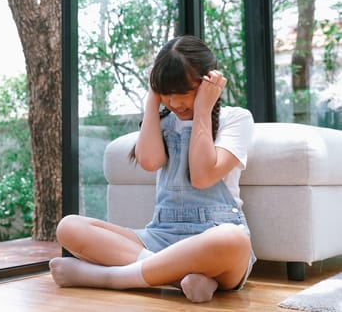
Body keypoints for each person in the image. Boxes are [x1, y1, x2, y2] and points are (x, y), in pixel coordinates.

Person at [49, 35, 256, 303]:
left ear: (208, 82)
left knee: (232, 239)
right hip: (161, 235)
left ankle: (111, 278)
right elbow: (149, 161)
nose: (175, 103)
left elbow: (204, 176)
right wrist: (151, 98)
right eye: (167, 94)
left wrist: (203, 108)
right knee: (69, 227)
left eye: (184, 93)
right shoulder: (164, 122)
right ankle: (180, 279)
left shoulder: (236, 118)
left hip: (213, 238)